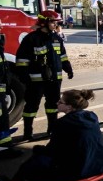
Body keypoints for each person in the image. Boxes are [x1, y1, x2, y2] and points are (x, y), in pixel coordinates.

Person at [14, 90, 103, 181]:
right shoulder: (91, 116)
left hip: (79, 169)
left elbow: (54, 151)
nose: (57, 103)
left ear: (69, 107)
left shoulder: (62, 123)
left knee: (35, 162)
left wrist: (38, 150)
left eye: (60, 102)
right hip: (99, 162)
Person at [15, 10, 74, 140]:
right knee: (31, 105)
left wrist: (68, 69)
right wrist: (24, 76)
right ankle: (27, 132)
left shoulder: (57, 38)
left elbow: (63, 57)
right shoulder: (31, 39)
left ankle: (52, 129)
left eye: (56, 22)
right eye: (53, 22)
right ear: (44, 23)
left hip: (54, 79)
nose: (55, 25)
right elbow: (21, 60)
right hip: (36, 80)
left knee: (53, 105)